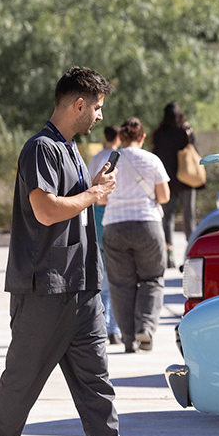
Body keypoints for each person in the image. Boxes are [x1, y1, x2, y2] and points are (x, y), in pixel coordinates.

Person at [0, 67, 165, 436]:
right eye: (97, 107)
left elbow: (72, 204)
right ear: (78, 104)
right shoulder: (40, 148)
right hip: (45, 287)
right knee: (23, 378)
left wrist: (92, 188)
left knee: (96, 381)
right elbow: (45, 210)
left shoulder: (72, 150)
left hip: (82, 286)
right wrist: (92, 195)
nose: (100, 116)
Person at [102, 117, 171, 353]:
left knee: (120, 285)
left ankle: (128, 339)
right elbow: (164, 197)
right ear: (142, 137)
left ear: (120, 137)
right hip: (147, 225)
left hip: (114, 225)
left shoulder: (107, 160)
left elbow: (100, 197)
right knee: (152, 279)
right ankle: (146, 328)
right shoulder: (152, 160)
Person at [152, 102, 199, 268]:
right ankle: (192, 252)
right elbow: (195, 152)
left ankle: (169, 255)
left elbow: (155, 155)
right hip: (187, 180)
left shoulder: (159, 134)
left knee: (167, 218)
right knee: (189, 216)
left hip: (168, 181)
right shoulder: (185, 131)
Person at [87, 125, 122, 345]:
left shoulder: (96, 158)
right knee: (114, 275)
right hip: (114, 213)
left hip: (98, 211)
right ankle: (113, 328)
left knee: (102, 269)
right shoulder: (122, 158)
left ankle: (102, 323)